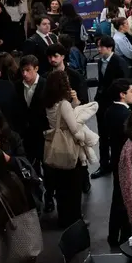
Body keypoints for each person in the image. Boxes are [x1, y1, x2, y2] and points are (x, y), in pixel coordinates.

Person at [45, 70, 96, 228]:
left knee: (61, 189)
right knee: (73, 189)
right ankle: (74, 220)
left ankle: (63, 218)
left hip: (55, 146)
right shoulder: (64, 103)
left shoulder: (49, 103)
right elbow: (73, 128)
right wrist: (82, 139)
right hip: (69, 148)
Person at [92, 36, 129, 179]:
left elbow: (125, 82)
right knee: (103, 136)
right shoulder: (100, 61)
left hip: (115, 104)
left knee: (115, 136)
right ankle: (104, 164)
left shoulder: (119, 62)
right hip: (102, 104)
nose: (98, 49)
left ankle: (116, 163)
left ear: (109, 47)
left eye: (101, 47)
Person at [105, 79, 132, 246]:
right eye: (131, 91)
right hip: (124, 160)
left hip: (116, 157)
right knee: (123, 198)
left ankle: (113, 234)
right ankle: (123, 235)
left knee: (118, 196)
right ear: (122, 95)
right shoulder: (125, 115)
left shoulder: (110, 110)